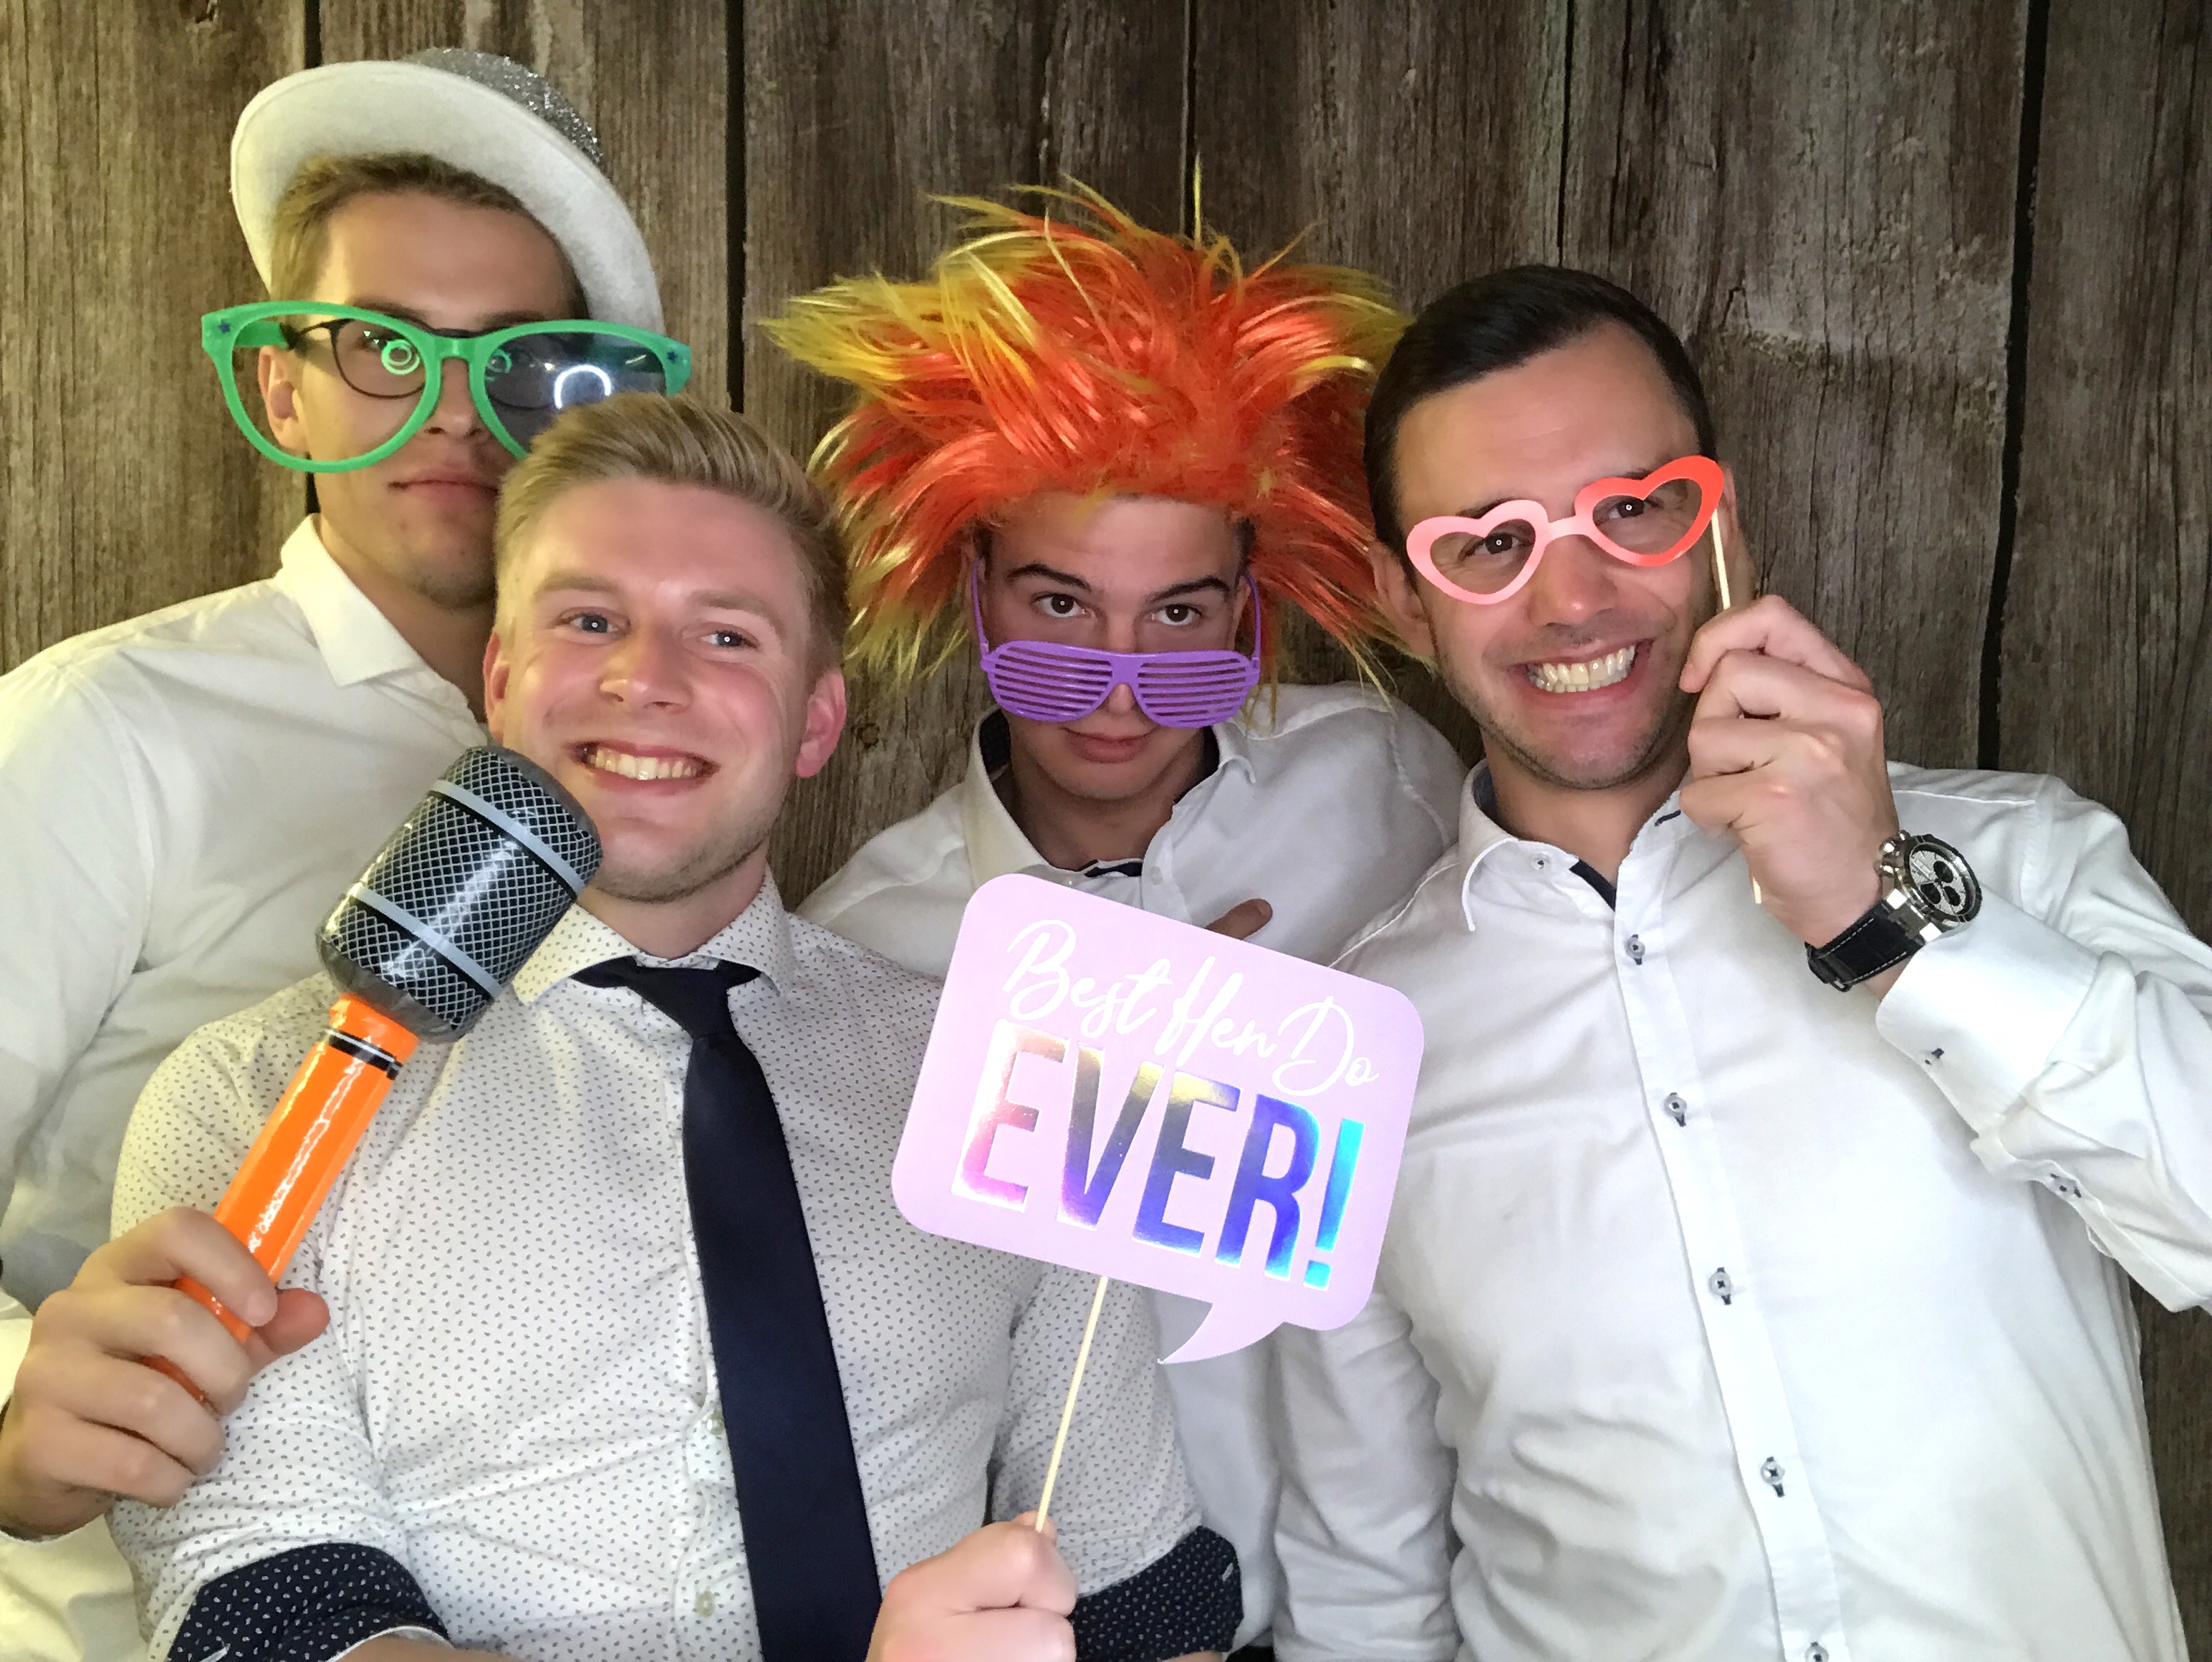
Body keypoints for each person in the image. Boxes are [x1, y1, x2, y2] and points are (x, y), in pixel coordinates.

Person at [107, 393, 1239, 1662]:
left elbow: (1144, 1601)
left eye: (728, 636)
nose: (645, 680)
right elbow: (271, 1607)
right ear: (501, 680)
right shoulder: (252, 1097)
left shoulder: (1009, 1083)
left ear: (816, 721)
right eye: (590, 620)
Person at [1270, 265, 2212, 1661]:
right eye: (1489, 542)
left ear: (1721, 526)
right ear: (1404, 603)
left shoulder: (2027, 858)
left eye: (1631, 508)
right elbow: (1364, 1584)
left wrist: (1889, 919)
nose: (1572, 596)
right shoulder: (1342, 1051)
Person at [0, 49, 681, 1658]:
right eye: (380, 345)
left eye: (519, 358)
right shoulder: (104, 732)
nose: (449, 410)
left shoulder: (663, 760)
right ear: (282, 387)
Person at [769, 192, 1467, 1652]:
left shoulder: (1380, 783)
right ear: (973, 589)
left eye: (1179, 620)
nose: (1116, 686)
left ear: (1246, 610)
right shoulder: (870, 946)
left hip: (1413, 1601)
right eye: (1058, 607)